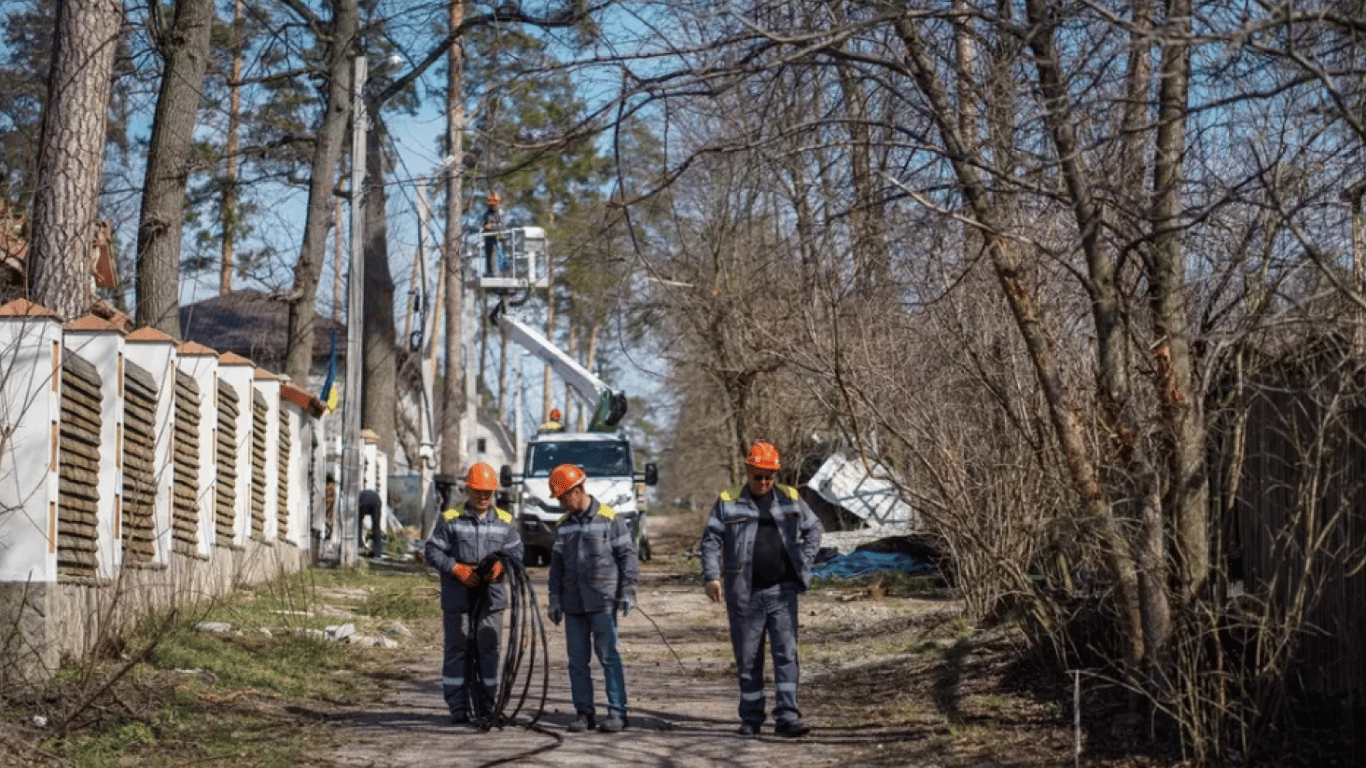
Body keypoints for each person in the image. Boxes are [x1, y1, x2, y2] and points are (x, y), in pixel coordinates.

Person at [700, 440, 822, 738]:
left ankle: (787, 717)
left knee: (787, 655)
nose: (764, 482)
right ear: (748, 471)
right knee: (748, 658)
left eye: (770, 476)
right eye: (759, 476)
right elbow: (711, 540)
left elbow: (814, 529)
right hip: (744, 595)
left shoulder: (791, 498)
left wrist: (803, 564)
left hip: (783, 593)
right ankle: (751, 718)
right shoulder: (728, 500)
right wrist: (712, 577)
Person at [424, 462, 523, 726]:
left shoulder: (505, 521)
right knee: (458, 650)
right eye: (478, 492)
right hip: (459, 599)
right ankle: (458, 707)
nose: (483, 497)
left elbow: (517, 553)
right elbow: (432, 551)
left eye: (488, 492)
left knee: (488, 650)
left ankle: (486, 706)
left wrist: (502, 566)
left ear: (494, 493)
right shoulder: (450, 518)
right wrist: (455, 568)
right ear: (468, 490)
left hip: (491, 600)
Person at [546, 462, 638, 734]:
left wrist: (628, 590)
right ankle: (583, 713)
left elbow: (627, 557)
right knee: (577, 662)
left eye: (563, 497)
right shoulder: (563, 526)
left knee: (609, 657)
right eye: (559, 499)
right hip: (574, 604)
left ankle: (618, 713)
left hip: (603, 602)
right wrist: (554, 598)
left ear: (578, 490)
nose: (562, 503)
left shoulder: (610, 518)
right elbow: (557, 567)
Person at [481, 192, 504, 276]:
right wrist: (484, 226)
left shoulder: (501, 213)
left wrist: (490, 227)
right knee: (489, 257)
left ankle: (496, 274)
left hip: (497, 239)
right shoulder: (487, 213)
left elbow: (501, 226)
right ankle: (489, 273)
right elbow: (483, 224)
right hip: (488, 239)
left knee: (496, 257)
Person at [357, 488, 383, 557]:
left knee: (358, 524)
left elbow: (358, 521)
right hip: (377, 501)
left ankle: (358, 547)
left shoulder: (358, 496)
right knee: (376, 526)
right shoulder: (362, 494)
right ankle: (378, 552)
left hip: (364, 502)